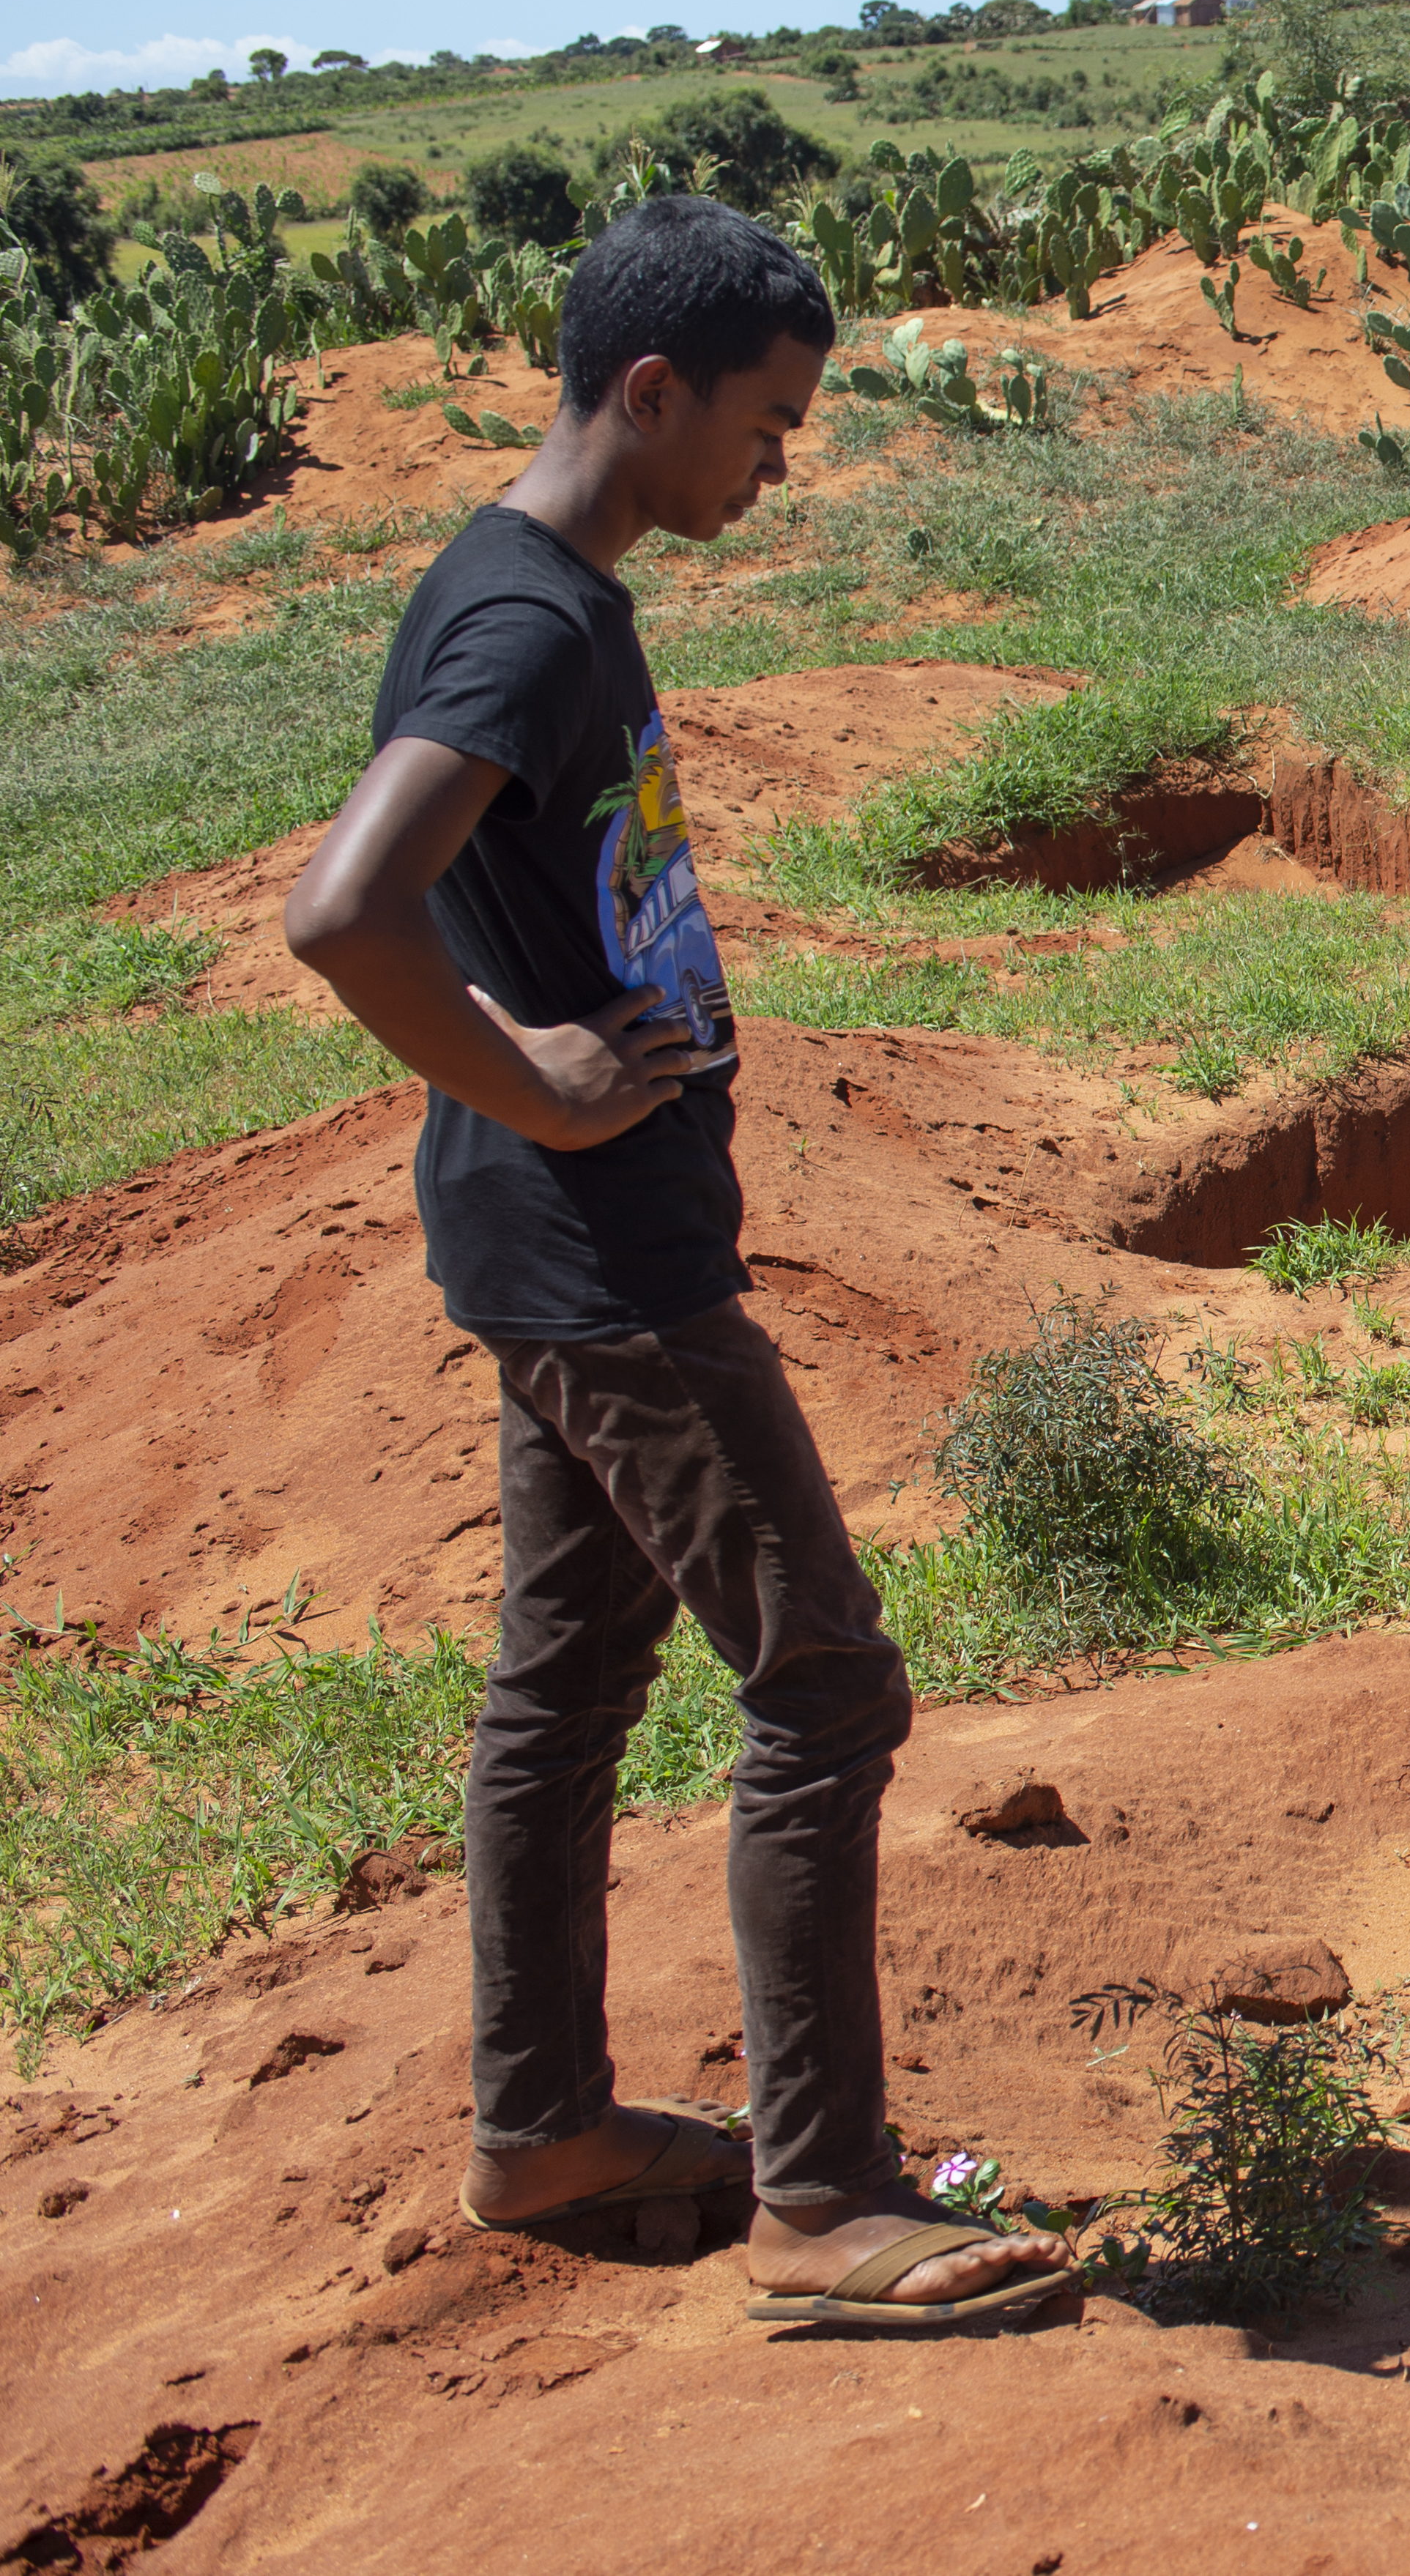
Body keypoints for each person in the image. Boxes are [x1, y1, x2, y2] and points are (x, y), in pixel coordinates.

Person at [281, 198, 1075, 2331]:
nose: (779, 464)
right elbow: (347, 905)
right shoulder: (528, 623)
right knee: (823, 1682)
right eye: (767, 422)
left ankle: (540, 2124)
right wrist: (539, 1076)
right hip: (610, 1259)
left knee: (567, 1686)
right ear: (651, 395)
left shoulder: (525, 584)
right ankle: (823, 2204)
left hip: (551, 1247)